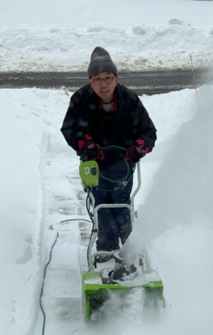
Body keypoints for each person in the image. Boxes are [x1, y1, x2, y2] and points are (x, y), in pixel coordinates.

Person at [61, 47, 157, 259]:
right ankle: (106, 248)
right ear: (91, 81)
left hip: (123, 165)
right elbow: (70, 129)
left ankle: (129, 247)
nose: (103, 84)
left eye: (108, 78)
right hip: (94, 165)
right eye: (97, 79)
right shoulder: (81, 99)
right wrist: (87, 144)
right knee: (101, 205)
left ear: (116, 79)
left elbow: (148, 132)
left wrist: (139, 147)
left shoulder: (129, 100)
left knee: (121, 205)